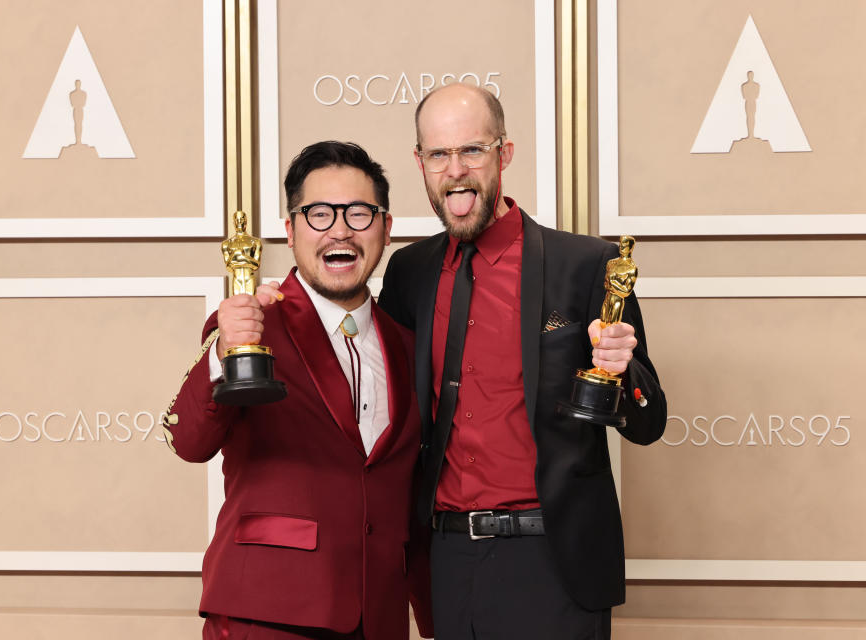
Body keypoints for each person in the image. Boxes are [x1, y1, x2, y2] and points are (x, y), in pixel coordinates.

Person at [376, 83, 667, 639]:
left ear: (504, 153)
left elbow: (650, 422)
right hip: (447, 557)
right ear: (420, 163)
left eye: (472, 150)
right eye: (438, 154)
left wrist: (622, 369)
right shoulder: (409, 272)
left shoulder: (588, 265)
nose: (455, 170)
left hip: (554, 560)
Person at [163, 141, 432, 640]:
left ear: (386, 228)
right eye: (319, 213)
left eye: (359, 212)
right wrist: (226, 349)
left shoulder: (409, 344)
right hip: (267, 612)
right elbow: (189, 441)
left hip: (378, 615)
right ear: (290, 231)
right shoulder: (252, 328)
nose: (340, 229)